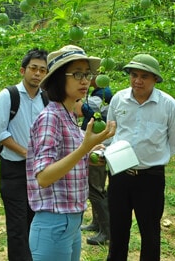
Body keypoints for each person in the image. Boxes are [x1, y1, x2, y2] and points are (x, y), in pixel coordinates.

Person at [25, 44, 116, 261]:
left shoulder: (69, 115)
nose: (85, 80)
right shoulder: (51, 118)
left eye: (87, 74)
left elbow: (66, 159)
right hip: (54, 221)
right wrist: (84, 148)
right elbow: (44, 177)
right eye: (77, 74)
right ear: (58, 78)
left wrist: (90, 152)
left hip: (71, 219)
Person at [105, 53, 175, 261]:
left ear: (155, 79)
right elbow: (110, 134)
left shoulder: (169, 106)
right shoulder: (118, 100)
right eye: (134, 75)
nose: (137, 81)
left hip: (150, 178)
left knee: (150, 233)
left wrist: (152, 160)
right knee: (118, 231)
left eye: (144, 76)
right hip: (119, 175)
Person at [0, 48, 48, 261]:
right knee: (17, 225)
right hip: (14, 169)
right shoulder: (9, 96)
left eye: (42, 70)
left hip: (38, 170)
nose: (37, 74)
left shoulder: (46, 98)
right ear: (23, 70)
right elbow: (0, 133)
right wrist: (27, 153)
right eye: (33, 68)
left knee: (35, 220)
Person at [75, 76, 113, 246]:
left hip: (99, 147)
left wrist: (77, 99)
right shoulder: (98, 92)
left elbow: (84, 111)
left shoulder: (104, 93)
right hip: (95, 145)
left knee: (96, 190)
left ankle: (107, 231)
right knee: (94, 189)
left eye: (90, 75)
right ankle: (96, 223)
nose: (87, 78)